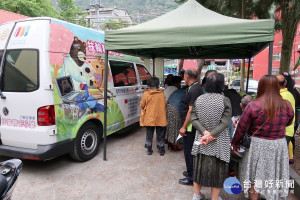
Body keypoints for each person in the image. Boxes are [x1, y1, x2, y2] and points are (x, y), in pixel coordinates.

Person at [232, 75, 294, 200]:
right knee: (274, 176)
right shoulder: (286, 105)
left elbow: (241, 128)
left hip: (258, 145)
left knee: (255, 178)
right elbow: (288, 122)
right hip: (279, 146)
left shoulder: (253, 106)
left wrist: (235, 143)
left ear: (260, 87)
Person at [190, 73, 232, 200]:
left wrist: (204, 133)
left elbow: (193, 118)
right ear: (221, 85)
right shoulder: (225, 100)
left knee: (198, 168)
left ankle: (197, 195)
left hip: (201, 140)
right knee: (218, 171)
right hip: (219, 141)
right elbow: (225, 122)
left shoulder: (199, 99)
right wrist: (212, 135)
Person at [178, 69, 203, 186]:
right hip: (191, 124)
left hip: (190, 126)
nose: (184, 79)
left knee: (189, 151)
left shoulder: (195, 89)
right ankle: (190, 171)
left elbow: (191, 111)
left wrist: (183, 127)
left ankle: (191, 177)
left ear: (187, 76)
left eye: (184, 77)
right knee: (188, 151)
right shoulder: (195, 87)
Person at [140, 77, 167, 156]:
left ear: (148, 84)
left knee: (149, 133)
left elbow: (142, 105)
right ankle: (161, 149)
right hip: (160, 117)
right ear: (158, 84)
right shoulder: (161, 93)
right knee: (160, 134)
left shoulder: (146, 94)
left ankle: (149, 149)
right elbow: (165, 103)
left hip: (149, 117)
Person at [275, 74, 295, 164]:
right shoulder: (289, 94)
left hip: (282, 131)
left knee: (278, 160)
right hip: (288, 130)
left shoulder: (280, 96)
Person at [165, 82, 187, 151]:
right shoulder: (186, 93)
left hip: (168, 107)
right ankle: (175, 144)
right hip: (175, 109)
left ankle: (170, 142)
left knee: (170, 126)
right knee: (177, 127)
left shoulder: (177, 91)